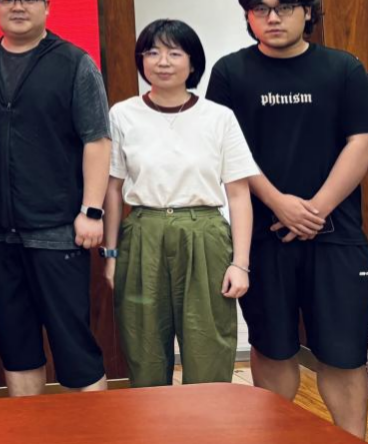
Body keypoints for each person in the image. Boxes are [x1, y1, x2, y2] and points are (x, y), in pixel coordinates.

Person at [206, 0, 368, 438]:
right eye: (260, 9)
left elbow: (363, 144)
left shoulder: (343, 68)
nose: (272, 18)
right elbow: (227, 152)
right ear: (248, 17)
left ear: (307, 12)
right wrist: (279, 203)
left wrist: (316, 209)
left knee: (344, 356)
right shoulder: (230, 72)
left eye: (284, 7)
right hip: (264, 239)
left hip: (337, 238)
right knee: (273, 349)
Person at [0, 0, 111, 395]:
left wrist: (91, 211)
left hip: (58, 231)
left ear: (47, 5)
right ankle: (30, 428)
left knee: (74, 345)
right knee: (16, 344)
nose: (17, 6)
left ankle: (95, 428)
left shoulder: (74, 63)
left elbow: (97, 141)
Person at [101, 19, 257, 388]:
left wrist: (240, 264)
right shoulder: (123, 114)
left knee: (208, 344)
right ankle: (151, 420)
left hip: (205, 232)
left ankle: (206, 420)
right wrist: (110, 254)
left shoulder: (218, 117)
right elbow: (112, 188)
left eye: (174, 53)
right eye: (152, 52)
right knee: (143, 345)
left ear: (192, 62)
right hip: (143, 233)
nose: (162, 61)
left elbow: (239, 194)